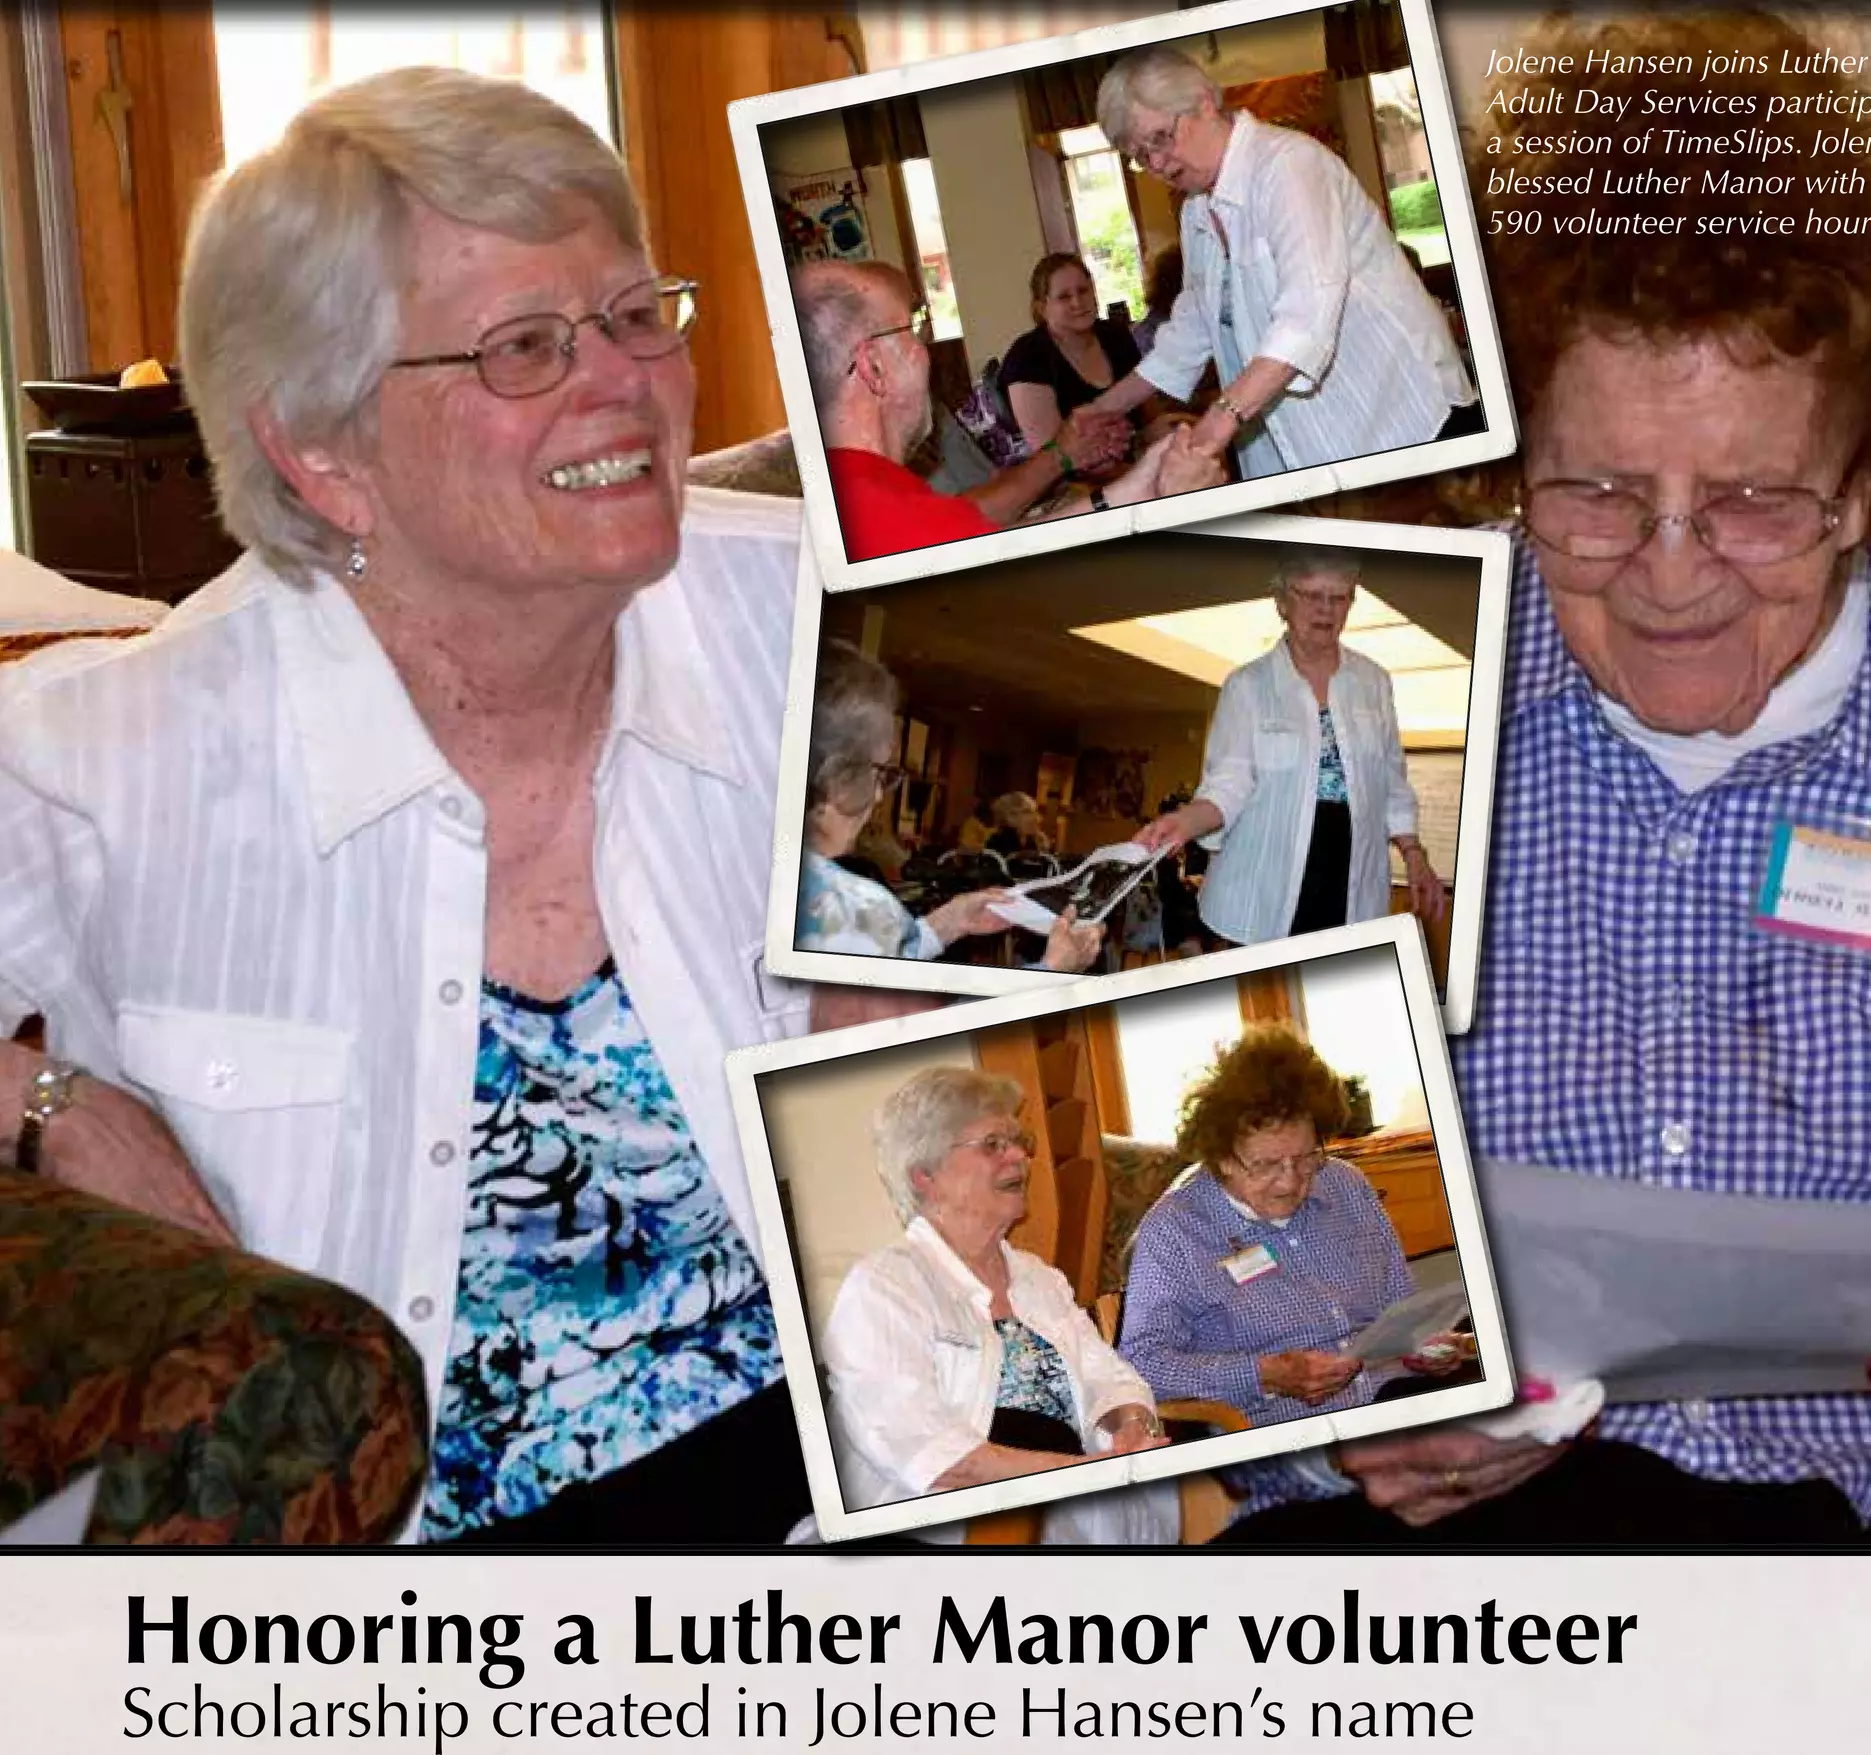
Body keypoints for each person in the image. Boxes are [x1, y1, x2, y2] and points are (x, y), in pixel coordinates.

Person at [0, 69, 817, 1546]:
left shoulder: (816, 619)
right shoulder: (116, 753)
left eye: (636, 315)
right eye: (525, 346)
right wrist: (46, 1103)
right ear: (323, 453)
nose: (622, 380)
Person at [1337, 9, 1871, 1546]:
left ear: (1863, 488)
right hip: (1499, 1572)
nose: (1667, 575)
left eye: (1753, 501)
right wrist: (1363, 1416)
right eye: (1592, 493)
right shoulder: (1404, 687)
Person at [1119, 1027, 1466, 1535]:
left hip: (1396, 1402)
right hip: (1288, 1438)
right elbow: (1141, 1365)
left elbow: (1401, 1307)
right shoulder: (1176, 1232)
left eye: (1306, 1158)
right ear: (1221, 1157)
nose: (1290, 1181)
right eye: (1265, 1165)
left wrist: (1427, 1347)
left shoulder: (1346, 1186)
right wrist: (1263, 1373)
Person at [1083, 45, 1475, 476]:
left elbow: (1304, 318)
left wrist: (1216, 424)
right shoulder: (1198, 212)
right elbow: (1191, 329)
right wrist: (1104, 409)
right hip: (1330, 443)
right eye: (1140, 155)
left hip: (1408, 422)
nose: (1157, 162)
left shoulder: (1287, 166)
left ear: (1204, 102)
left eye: (1160, 137)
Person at [821, 1068, 1174, 1529]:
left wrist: (1132, 1426)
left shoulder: (1039, 1278)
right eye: (992, 1145)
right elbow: (933, 1457)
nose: (1019, 1157)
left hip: (1079, 1509)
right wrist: (1081, 1475)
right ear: (925, 1176)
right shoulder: (885, 1288)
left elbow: (1111, 1379)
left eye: (1018, 1141)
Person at [790, 260, 1223, 561]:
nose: (924, 352)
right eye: (912, 329)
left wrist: (1135, 487)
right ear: (874, 368)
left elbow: (973, 528)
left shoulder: (869, 493)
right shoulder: (879, 517)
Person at [1132, 551, 1445, 942]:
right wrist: (1183, 822)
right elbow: (1228, 785)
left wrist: (1414, 854)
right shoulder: (1248, 686)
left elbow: (1392, 783)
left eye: (1339, 597)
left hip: (1351, 889)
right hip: (1262, 890)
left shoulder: (1374, 682)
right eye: (1311, 594)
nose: (1326, 608)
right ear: (1282, 601)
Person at [797, 643, 1100, 971]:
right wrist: (1053, 969)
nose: (880, 796)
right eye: (880, 773)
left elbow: (884, 959)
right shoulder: (854, 908)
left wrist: (946, 923)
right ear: (840, 776)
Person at [998, 255, 1143, 456]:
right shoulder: (1027, 357)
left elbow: (1150, 416)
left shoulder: (1115, 335)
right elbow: (1052, 458)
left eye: (1083, 291)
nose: (1077, 302)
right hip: (1067, 473)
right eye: (1064, 297)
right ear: (1042, 308)